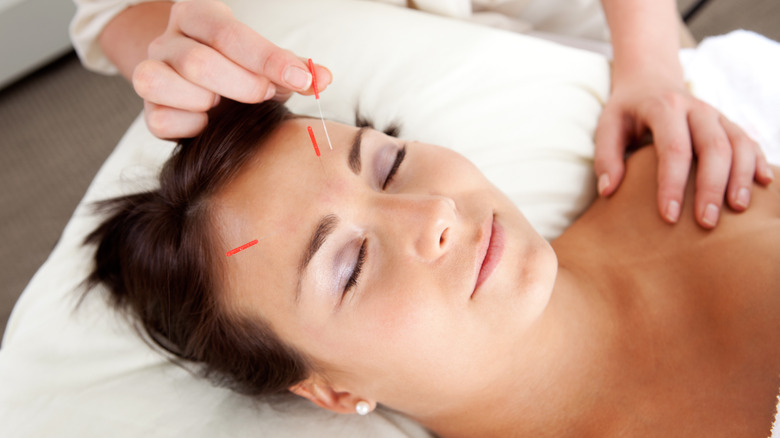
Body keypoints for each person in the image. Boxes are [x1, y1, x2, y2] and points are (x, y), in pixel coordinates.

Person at [86, 98, 779, 437]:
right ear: (328, 391)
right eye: (350, 265)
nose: (435, 213)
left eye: (389, 165)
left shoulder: (688, 162)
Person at [71, 0, 774, 230]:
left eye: (392, 165)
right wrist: (191, 45)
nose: (434, 224)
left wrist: (648, 62)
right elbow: (112, 14)